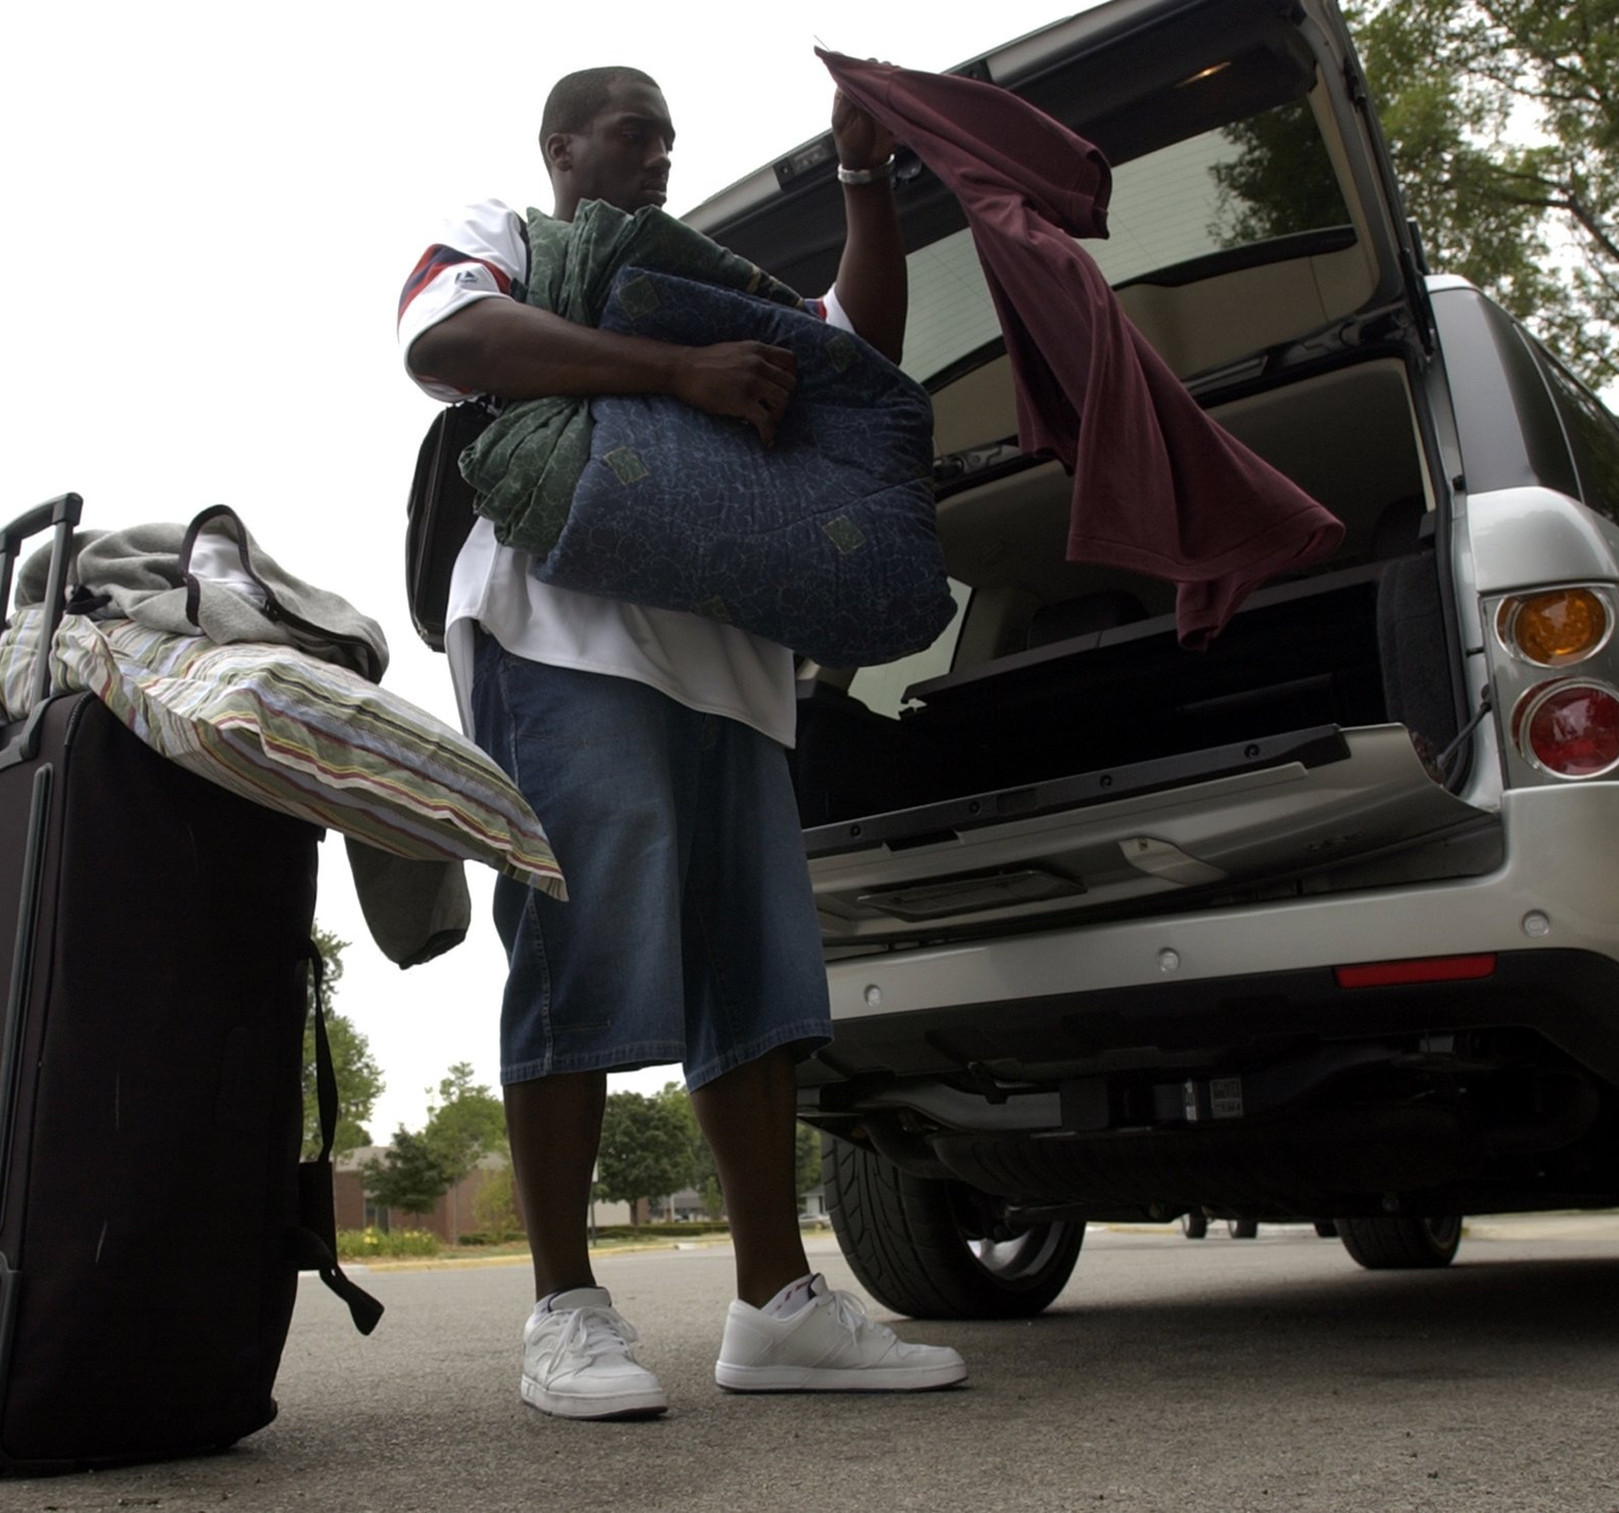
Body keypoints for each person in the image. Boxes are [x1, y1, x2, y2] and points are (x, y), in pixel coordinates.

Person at [397, 64, 967, 1420]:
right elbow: (446, 343)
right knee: (578, 940)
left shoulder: (722, 289)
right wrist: (677, 372)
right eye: (633, 134)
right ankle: (566, 1310)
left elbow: (855, 347)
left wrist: (861, 180)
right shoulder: (509, 238)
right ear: (562, 148)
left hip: (729, 656)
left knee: (759, 974)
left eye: (669, 138)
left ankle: (777, 1308)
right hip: (563, 630)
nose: (658, 157)